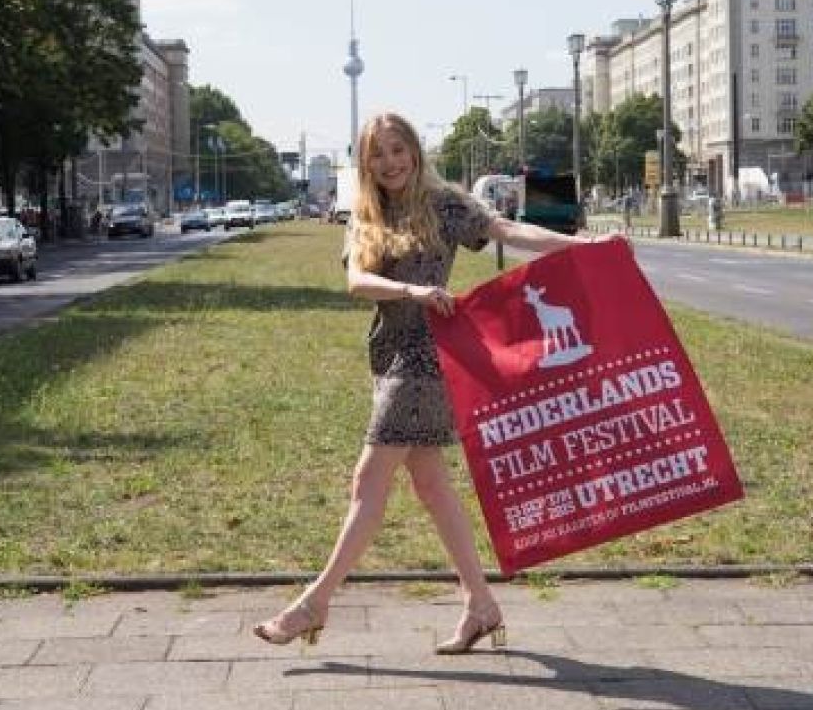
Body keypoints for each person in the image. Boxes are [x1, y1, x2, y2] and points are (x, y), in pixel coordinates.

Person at [252, 112, 620, 655]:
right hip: (390, 353)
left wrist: (581, 246)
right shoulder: (367, 212)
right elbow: (357, 281)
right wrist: (412, 294)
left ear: (415, 151)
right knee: (430, 485)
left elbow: (507, 231)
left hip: (426, 361)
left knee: (368, 482)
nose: (391, 163)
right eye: (378, 154)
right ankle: (480, 604)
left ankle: (315, 603)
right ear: (366, 162)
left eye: (399, 150)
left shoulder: (445, 203)